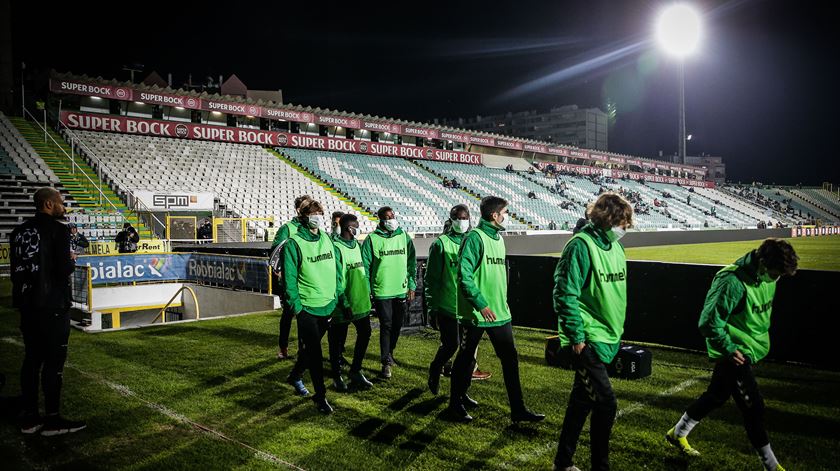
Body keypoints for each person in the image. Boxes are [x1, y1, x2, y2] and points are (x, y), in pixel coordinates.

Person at [665, 239, 798, 471]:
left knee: (716, 396)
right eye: (777, 273)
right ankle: (772, 465)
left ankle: (677, 433)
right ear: (763, 264)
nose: (778, 278)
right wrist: (728, 348)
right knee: (754, 407)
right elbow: (708, 321)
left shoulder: (767, 278)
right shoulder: (732, 281)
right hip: (735, 353)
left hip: (748, 348)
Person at [552, 192, 634, 471]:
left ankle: (562, 462)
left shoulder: (617, 248)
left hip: (609, 336)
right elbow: (564, 293)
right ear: (607, 219)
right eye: (622, 222)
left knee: (581, 403)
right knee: (606, 404)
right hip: (588, 340)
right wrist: (576, 338)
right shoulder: (580, 246)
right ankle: (601, 466)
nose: (625, 228)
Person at [447, 196, 544, 423]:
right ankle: (454, 403)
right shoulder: (474, 238)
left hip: (500, 313)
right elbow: (464, 276)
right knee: (465, 359)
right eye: (505, 212)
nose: (506, 216)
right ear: (494, 215)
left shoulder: (499, 238)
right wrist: (481, 303)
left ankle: (518, 410)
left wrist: (499, 303)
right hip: (476, 314)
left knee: (510, 360)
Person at [10, 187, 86, 436]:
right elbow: (63, 270)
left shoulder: (19, 232)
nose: (64, 207)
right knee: (54, 363)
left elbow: (16, 270)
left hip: (27, 304)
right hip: (52, 304)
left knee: (31, 360)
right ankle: (52, 419)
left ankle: (30, 418)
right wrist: (71, 260)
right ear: (49, 204)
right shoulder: (59, 230)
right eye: (61, 203)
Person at [282, 200, 342, 414]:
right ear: (304, 216)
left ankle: (295, 375)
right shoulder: (293, 243)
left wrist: (336, 294)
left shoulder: (326, 237)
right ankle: (320, 396)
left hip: (327, 304)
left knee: (310, 348)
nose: (317, 217)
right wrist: (297, 307)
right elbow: (288, 280)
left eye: (319, 213)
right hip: (307, 308)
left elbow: (336, 268)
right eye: (313, 213)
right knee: (315, 353)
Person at [426, 205, 490, 397]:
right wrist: (432, 308)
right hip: (448, 307)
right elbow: (431, 279)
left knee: (469, 354)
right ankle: (435, 368)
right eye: (458, 217)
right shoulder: (441, 244)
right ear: (451, 219)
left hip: (469, 307)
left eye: (465, 217)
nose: (462, 221)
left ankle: (462, 393)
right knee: (451, 345)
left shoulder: (474, 241)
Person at [361, 207, 417, 379]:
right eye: (387, 217)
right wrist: (368, 290)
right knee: (386, 325)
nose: (392, 219)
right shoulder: (372, 239)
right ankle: (385, 362)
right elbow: (365, 266)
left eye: (393, 216)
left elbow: (411, 262)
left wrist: (412, 285)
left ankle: (389, 353)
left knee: (397, 325)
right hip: (382, 290)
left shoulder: (404, 237)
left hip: (401, 289)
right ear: (380, 220)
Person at [328, 214, 374, 391]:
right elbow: (337, 280)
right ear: (349, 228)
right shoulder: (336, 248)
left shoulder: (358, 246)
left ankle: (355, 370)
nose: (358, 228)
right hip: (344, 305)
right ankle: (336, 376)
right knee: (337, 342)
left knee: (365, 334)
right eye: (356, 225)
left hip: (361, 302)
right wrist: (344, 303)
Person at [271, 195, 313, 360]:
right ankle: (283, 348)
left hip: (308, 279)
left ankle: (303, 349)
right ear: (299, 210)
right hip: (291, 280)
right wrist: (281, 272)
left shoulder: (312, 228)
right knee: (289, 314)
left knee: (307, 315)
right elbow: (275, 252)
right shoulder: (287, 228)